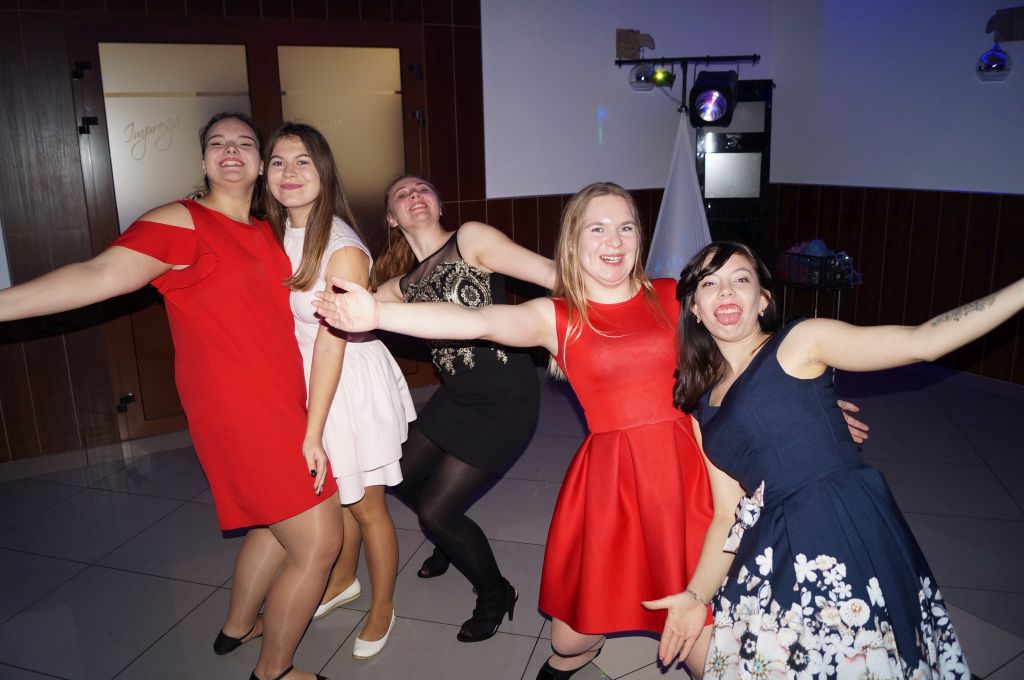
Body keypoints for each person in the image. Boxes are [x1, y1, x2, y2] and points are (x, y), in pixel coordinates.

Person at [314, 183, 870, 678]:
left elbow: (741, 347)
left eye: (625, 227)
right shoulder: (555, 316)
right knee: (569, 637)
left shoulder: (671, 293)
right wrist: (377, 315)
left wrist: (800, 404)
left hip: (688, 465)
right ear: (573, 242)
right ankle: (577, 654)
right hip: (613, 478)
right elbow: (475, 320)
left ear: (639, 237)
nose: (614, 240)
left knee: (703, 638)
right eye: (597, 228)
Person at [0, 112, 339, 680]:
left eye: (244, 143)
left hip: (279, 397)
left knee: (272, 523)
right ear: (203, 160)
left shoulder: (264, 229)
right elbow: (98, 274)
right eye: (217, 143)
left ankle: (238, 627)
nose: (230, 151)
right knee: (320, 543)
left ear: (260, 164)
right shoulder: (183, 221)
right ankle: (275, 672)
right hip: (242, 408)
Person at [640, 241, 1011, 678]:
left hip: (837, 523)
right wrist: (696, 596)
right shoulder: (702, 404)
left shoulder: (800, 341)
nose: (725, 291)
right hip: (771, 541)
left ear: (763, 300)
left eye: (740, 279)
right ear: (695, 309)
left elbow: (922, 341)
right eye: (709, 283)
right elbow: (727, 514)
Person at [368, 174, 556, 642]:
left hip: (505, 399)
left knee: (436, 512)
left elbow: (554, 275)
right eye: (401, 194)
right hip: (456, 396)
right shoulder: (399, 287)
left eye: (422, 189)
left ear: (439, 204)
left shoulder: (470, 240)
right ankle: (452, 544)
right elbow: (349, 306)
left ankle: (495, 592)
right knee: (400, 475)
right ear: (392, 218)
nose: (414, 195)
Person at [262, 122, 415, 659]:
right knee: (339, 495)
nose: (290, 173)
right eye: (278, 162)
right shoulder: (278, 232)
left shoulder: (341, 248)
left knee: (367, 506)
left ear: (324, 172)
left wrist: (312, 428)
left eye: (303, 161)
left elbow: (332, 342)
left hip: (348, 382)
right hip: (313, 378)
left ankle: (383, 607)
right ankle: (344, 580)